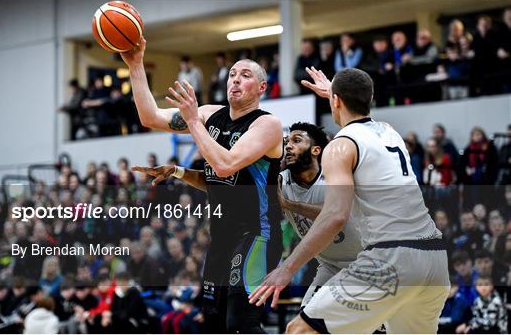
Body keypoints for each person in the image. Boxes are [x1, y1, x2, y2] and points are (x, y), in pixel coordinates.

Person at [249, 67, 449, 333]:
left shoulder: (340, 146)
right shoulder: (391, 133)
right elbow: (362, 111)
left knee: (299, 330)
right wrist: (336, 90)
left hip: (391, 256)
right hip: (434, 259)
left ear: (336, 101)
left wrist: (287, 268)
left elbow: (335, 215)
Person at [121, 38, 283, 333]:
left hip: (257, 235)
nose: (235, 79)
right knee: (212, 323)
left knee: (242, 322)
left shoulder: (267, 125)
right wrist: (135, 65)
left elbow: (226, 164)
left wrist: (194, 121)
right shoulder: (210, 114)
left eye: (245, 75)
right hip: (220, 237)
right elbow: (150, 117)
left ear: (261, 87)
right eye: (232, 74)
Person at [279, 122, 362, 307]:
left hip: (367, 261)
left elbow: (335, 212)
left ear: (316, 150)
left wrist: (289, 205)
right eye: (286, 142)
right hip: (330, 266)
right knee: (304, 325)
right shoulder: (281, 181)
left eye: (296, 140)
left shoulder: (336, 174)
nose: (288, 146)